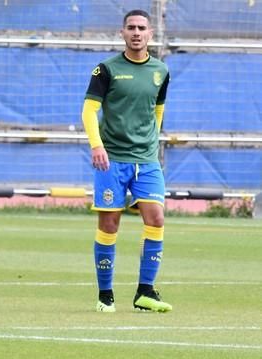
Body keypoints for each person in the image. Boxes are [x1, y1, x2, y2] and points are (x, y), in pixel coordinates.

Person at [81, 9, 172, 313]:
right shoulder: (105, 70)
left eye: (142, 28)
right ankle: (105, 295)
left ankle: (145, 292)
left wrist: (152, 140)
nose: (136, 32)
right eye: (131, 27)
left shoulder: (161, 71)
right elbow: (89, 111)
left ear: (150, 34)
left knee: (156, 217)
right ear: (122, 33)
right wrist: (97, 145)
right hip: (112, 160)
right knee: (109, 222)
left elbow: (157, 110)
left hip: (146, 160)